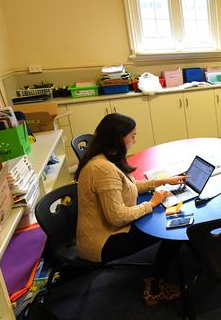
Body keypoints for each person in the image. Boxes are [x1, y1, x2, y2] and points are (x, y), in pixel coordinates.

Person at [75, 113, 185, 306]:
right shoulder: (102, 169)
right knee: (170, 229)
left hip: (106, 229)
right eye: (132, 136)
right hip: (102, 242)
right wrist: (150, 204)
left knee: (160, 217)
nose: (135, 140)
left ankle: (158, 276)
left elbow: (130, 186)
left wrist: (164, 181)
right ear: (119, 138)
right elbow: (116, 217)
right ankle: (154, 287)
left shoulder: (107, 158)